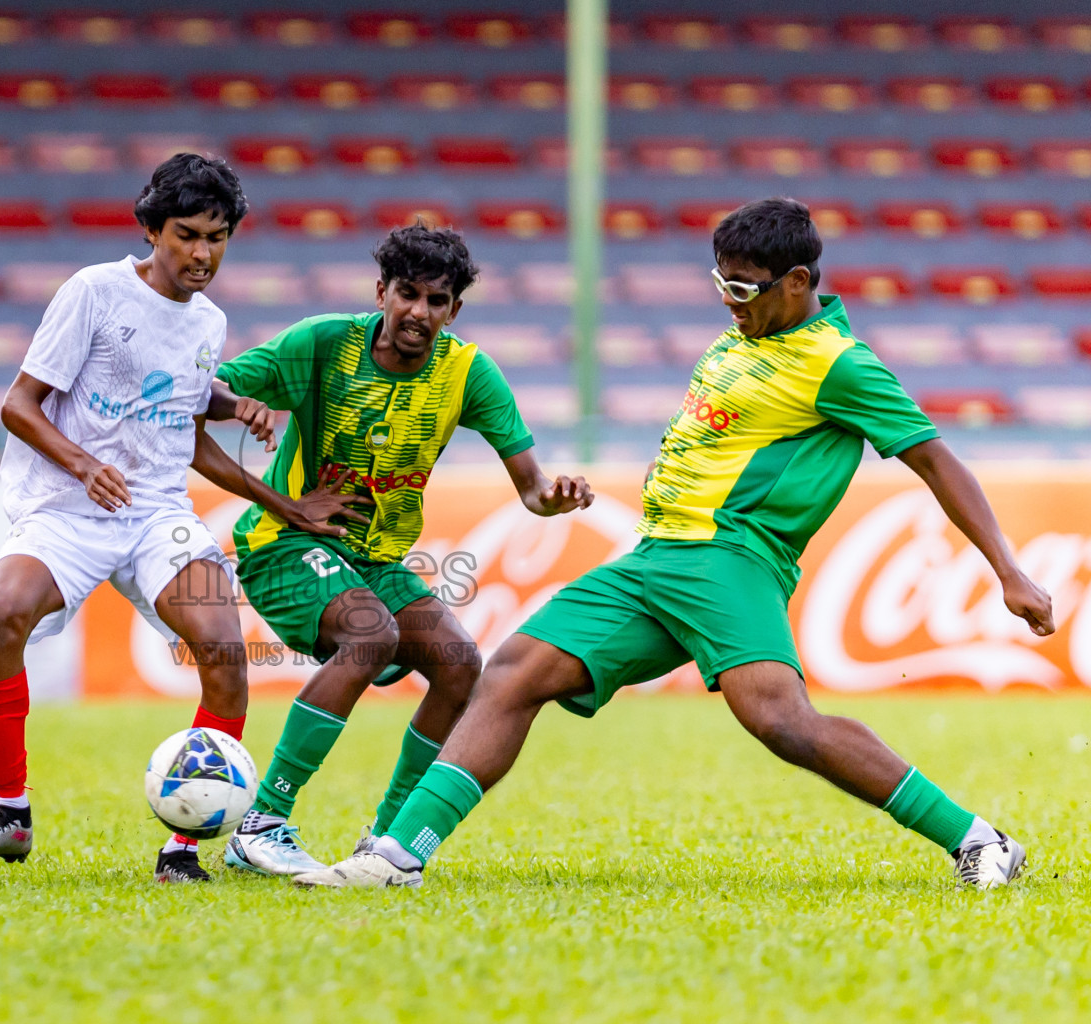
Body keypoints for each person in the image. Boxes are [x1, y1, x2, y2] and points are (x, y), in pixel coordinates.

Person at [295, 197, 1056, 891]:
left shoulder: (840, 364)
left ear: (797, 281)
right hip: (654, 556)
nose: (730, 300)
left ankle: (979, 840)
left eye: (746, 287)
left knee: (783, 723)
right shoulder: (741, 339)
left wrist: (1008, 570)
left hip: (729, 560)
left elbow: (934, 456)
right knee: (515, 672)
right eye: (721, 282)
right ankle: (397, 856)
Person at [191, 223, 593, 877]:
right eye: (407, 293)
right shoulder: (323, 345)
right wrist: (268, 468)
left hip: (374, 560)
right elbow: (195, 399)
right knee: (370, 635)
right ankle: (262, 823)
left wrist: (558, 495)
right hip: (285, 541)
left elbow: (533, 491)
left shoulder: (466, 372)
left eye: (438, 301)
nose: (419, 312)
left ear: (454, 310)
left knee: (462, 664)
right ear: (381, 291)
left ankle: (387, 837)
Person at [0, 153, 292, 883]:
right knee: (3, 615)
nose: (202, 254)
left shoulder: (210, 321)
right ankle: (11, 814)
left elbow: (182, 414)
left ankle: (183, 849)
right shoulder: (93, 292)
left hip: (156, 512)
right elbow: (18, 405)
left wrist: (236, 412)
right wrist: (82, 463)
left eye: (217, 238)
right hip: (70, 507)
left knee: (224, 649)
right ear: (152, 230)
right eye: (187, 235)